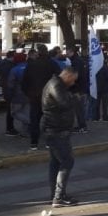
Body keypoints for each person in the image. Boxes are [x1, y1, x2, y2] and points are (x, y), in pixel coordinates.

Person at [42, 67, 81, 207]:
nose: (72, 83)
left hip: (56, 129)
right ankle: (58, 196)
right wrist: (74, 98)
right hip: (56, 130)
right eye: (72, 80)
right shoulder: (56, 85)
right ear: (67, 75)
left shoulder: (57, 84)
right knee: (67, 161)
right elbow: (64, 103)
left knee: (56, 162)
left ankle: (55, 194)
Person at [22, 44, 58, 151]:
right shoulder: (51, 63)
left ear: (38, 52)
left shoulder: (31, 64)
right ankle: (48, 142)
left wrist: (28, 93)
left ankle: (34, 143)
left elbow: (24, 81)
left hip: (34, 96)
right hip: (48, 96)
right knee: (49, 120)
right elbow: (61, 75)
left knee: (34, 121)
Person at [0, 49, 19, 136]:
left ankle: (10, 128)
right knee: (10, 110)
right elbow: (9, 79)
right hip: (9, 89)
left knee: (10, 109)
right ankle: (9, 129)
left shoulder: (4, 64)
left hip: (6, 89)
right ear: (12, 56)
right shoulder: (9, 66)